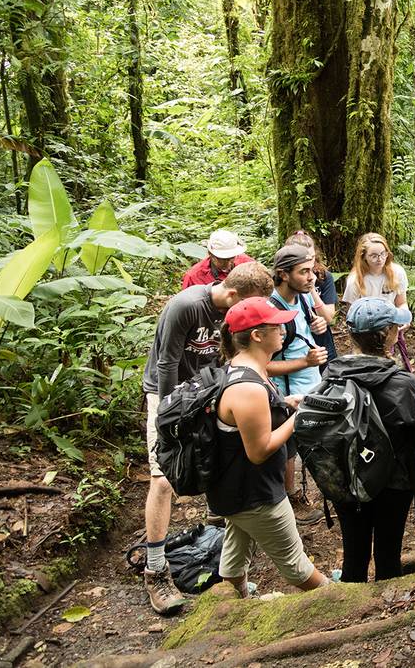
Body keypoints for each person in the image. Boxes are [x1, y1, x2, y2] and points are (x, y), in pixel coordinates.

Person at [140, 261, 273, 614]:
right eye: (247, 306)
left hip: (206, 391)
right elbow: (166, 362)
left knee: (220, 461)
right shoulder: (187, 305)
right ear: (231, 293)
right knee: (163, 479)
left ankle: (224, 561)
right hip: (169, 396)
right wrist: (170, 419)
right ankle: (155, 570)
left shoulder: (233, 315)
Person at [211, 297, 329, 596]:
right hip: (257, 493)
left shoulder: (240, 369)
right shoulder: (248, 387)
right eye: (276, 325)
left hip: (233, 489)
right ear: (257, 335)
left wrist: (285, 405)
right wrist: (298, 418)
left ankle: (237, 598)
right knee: (296, 565)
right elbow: (260, 450)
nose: (283, 329)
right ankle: (338, 598)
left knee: (237, 543)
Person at [329, 297, 415, 582]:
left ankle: (350, 608)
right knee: (388, 553)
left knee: (354, 554)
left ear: (351, 335)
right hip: (394, 481)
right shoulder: (406, 383)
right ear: (390, 334)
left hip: (346, 477)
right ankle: (388, 610)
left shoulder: (331, 376)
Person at [265, 244, 328, 525]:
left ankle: (319, 490)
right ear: (283, 274)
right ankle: (290, 499)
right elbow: (262, 365)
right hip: (285, 392)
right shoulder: (269, 309)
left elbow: (305, 331)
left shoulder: (301, 298)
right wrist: (305, 362)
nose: (311, 277)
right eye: (303, 272)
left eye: (311, 270)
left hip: (311, 383)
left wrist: (319, 328)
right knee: (287, 448)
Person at [343, 233, 411, 367]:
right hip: (367, 335)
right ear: (363, 257)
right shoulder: (355, 280)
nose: (379, 259)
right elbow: (352, 314)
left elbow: (401, 302)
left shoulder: (397, 273)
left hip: (391, 328)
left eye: (383, 254)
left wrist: (404, 319)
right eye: (373, 256)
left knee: (396, 366)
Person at [284, 230, 338, 361]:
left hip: (322, 344)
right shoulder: (283, 281)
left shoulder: (324, 277)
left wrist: (311, 289)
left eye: (312, 257)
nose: (310, 263)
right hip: (295, 349)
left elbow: (328, 318)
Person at [181, 230, 255, 289]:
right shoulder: (194, 277)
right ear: (210, 254)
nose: (228, 264)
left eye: (231, 258)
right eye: (223, 259)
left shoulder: (248, 265)